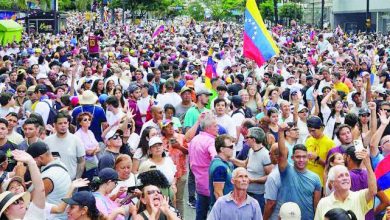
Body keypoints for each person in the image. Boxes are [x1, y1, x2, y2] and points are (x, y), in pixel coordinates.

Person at [272, 123, 321, 220]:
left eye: (304, 157)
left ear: (308, 158)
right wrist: (281, 132)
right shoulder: (286, 170)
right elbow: (282, 154)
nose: (301, 160)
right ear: (292, 158)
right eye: (298, 157)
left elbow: (316, 206)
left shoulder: (315, 178)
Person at [314, 150, 377, 220]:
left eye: (347, 175)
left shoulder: (359, 197)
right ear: (332, 183)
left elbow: (373, 191)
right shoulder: (323, 203)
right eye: (340, 176)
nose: (345, 178)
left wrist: (368, 165)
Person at [26, 141, 71, 219]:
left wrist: (19, 175)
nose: (29, 164)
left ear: (40, 158)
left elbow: (30, 201)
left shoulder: (48, 177)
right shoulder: (61, 164)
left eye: (31, 161)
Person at [230, 127, 272, 212]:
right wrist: (231, 159)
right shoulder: (251, 151)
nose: (245, 140)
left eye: (247, 137)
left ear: (253, 139)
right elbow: (245, 164)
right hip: (247, 192)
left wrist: (252, 180)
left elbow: (269, 176)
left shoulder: (265, 155)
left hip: (258, 195)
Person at [0, 150, 45, 219]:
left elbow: (40, 189)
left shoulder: (32, 215)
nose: (21, 202)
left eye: (22, 199)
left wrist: (31, 162)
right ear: (6, 210)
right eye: (16, 202)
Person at [189, 113, 218, 220]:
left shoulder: (195, 139)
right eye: (215, 126)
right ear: (208, 127)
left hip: (199, 183)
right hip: (211, 184)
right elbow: (215, 157)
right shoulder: (211, 141)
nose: (217, 128)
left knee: (200, 214)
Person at [44, 112, 86, 180]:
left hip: (71, 181)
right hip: (53, 181)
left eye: (65, 123)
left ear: (68, 124)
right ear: (54, 125)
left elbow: (81, 162)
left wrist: (77, 179)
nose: (63, 125)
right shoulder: (47, 141)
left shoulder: (76, 140)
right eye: (60, 123)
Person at [305, 116, 335, 185]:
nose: (311, 133)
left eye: (313, 131)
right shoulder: (309, 140)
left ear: (321, 128)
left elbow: (331, 166)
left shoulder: (330, 143)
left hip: (320, 181)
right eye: (309, 131)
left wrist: (317, 158)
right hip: (307, 179)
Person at [209, 134, 234, 207]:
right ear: (222, 149)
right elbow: (218, 192)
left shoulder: (220, 162)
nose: (233, 149)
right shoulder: (220, 167)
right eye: (230, 147)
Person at [74, 112, 99, 180]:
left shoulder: (90, 132)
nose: (88, 121)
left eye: (89, 119)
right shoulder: (77, 135)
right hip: (84, 164)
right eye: (85, 120)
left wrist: (93, 151)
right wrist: (93, 151)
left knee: (94, 181)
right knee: (87, 182)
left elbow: (98, 147)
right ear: (80, 123)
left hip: (93, 161)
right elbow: (87, 152)